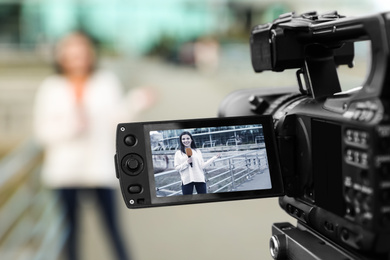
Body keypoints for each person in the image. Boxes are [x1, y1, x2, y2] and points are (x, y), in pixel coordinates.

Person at [33, 31, 154, 260]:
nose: (78, 58)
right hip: (64, 172)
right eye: (72, 53)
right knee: (70, 233)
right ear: (62, 57)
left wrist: (138, 101)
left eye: (82, 52)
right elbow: (41, 132)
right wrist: (71, 126)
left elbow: (118, 119)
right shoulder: (51, 87)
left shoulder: (105, 82)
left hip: (101, 168)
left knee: (113, 229)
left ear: (90, 54)